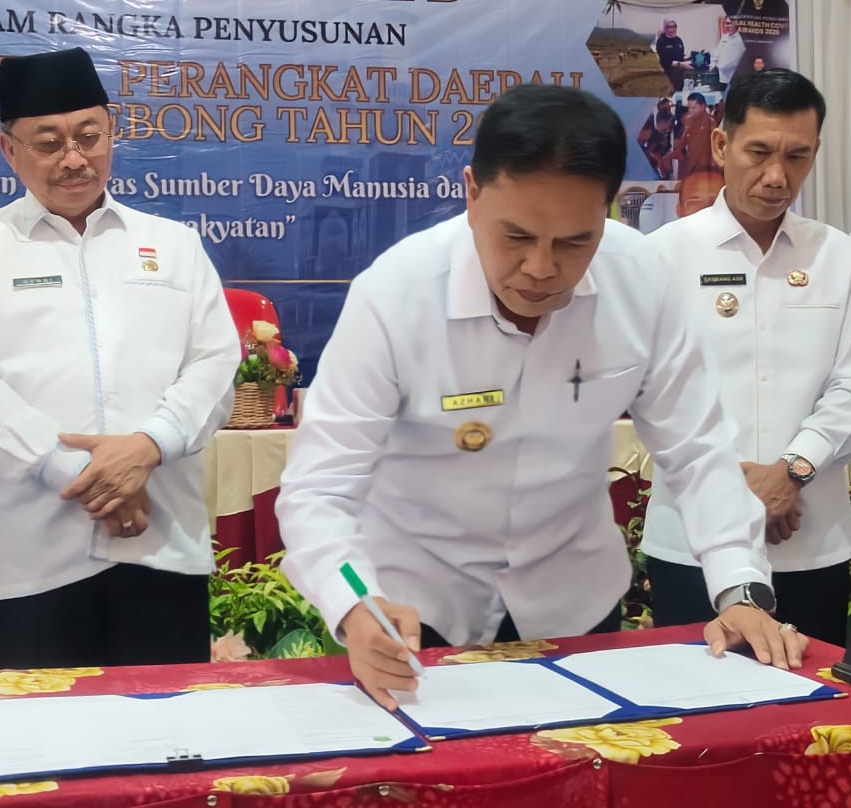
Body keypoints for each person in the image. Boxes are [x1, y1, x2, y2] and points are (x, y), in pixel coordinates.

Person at [276, 83, 807, 711]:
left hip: (575, 607)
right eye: (517, 236)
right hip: (414, 614)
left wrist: (740, 589)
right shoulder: (395, 295)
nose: (540, 268)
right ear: (472, 194)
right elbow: (319, 492)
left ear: (608, 215)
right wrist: (354, 601)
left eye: (574, 242)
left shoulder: (641, 281)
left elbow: (698, 453)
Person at [0, 47, 239, 670]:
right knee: (39, 727)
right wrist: (86, 475)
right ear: (9, 150)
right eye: (49, 143)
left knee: (167, 723)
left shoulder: (173, 244)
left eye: (89, 137)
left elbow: (214, 364)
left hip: (161, 545)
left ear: (111, 133)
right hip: (30, 558)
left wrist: (148, 445)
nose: (74, 159)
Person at [641, 69, 851, 647]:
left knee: (813, 699)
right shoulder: (661, 254)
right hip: (690, 542)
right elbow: (650, 394)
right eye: (760, 152)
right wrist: (735, 484)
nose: (777, 176)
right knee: (694, 700)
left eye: (797, 157)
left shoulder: (840, 256)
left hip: (809, 537)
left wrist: (790, 473)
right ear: (722, 145)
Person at [668, 93, 715, 179]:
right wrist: (686, 128)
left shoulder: (710, 122)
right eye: (689, 108)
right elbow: (680, 144)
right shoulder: (689, 121)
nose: (691, 111)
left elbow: (715, 145)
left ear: (703, 106)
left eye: (694, 108)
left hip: (706, 167)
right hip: (692, 165)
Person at [655, 18, 690, 90]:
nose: (672, 29)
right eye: (670, 27)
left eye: (674, 26)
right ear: (665, 28)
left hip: (679, 76)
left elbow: (680, 56)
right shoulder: (662, 41)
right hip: (668, 75)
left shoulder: (678, 40)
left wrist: (692, 57)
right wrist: (682, 64)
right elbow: (665, 61)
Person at [713, 17, 746, 89]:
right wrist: (712, 62)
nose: (729, 26)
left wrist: (719, 67)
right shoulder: (724, 37)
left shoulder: (739, 40)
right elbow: (717, 52)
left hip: (731, 78)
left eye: (731, 23)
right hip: (719, 76)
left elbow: (735, 61)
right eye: (727, 23)